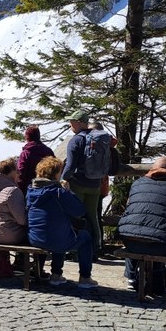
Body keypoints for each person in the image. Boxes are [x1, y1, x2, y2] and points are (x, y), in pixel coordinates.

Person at [117, 157, 166, 295]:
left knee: (134, 232)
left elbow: (128, 208)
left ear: (152, 169)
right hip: (163, 245)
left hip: (131, 241)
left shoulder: (137, 184)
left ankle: (131, 278)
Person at [26, 156, 98, 288]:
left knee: (60, 229)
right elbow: (79, 211)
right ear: (55, 174)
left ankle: (56, 275)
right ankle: (85, 277)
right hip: (56, 239)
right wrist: (69, 191)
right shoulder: (59, 192)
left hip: (35, 238)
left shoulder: (31, 190)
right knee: (85, 237)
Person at [61, 109, 103, 255]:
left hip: (78, 184)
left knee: (76, 215)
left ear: (78, 123)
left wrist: (62, 179)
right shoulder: (96, 138)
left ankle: (75, 249)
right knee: (93, 216)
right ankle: (96, 246)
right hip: (95, 184)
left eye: (71, 121)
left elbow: (70, 165)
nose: (69, 124)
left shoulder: (76, 140)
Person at [0, 158, 28, 245]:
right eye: (16, 170)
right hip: (10, 236)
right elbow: (22, 220)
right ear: (11, 172)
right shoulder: (12, 191)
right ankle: (23, 258)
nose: (19, 173)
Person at [17, 125, 54, 193]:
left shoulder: (25, 153)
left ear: (27, 137)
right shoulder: (49, 151)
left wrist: (20, 189)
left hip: (30, 189)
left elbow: (21, 172)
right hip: (48, 188)